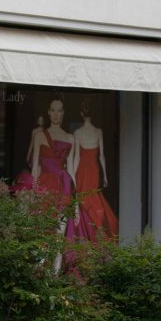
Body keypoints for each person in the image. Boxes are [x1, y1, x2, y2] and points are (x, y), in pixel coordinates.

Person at [71, 100, 119, 240]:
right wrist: (105, 175)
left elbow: (77, 158)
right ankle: (96, 230)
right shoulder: (98, 132)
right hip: (94, 168)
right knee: (93, 197)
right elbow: (102, 156)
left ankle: (86, 232)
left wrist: (72, 175)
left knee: (83, 199)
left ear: (81, 114)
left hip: (82, 170)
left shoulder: (77, 133)